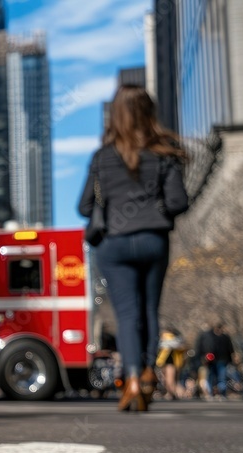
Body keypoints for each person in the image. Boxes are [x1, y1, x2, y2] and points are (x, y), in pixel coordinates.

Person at [78, 85, 189, 412]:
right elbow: (178, 201)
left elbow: (84, 205)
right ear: (148, 112)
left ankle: (132, 381)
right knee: (149, 311)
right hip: (153, 239)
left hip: (114, 243)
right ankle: (147, 372)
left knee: (128, 315)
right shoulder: (164, 150)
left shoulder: (102, 157)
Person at [197, 323, 236, 399]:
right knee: (211, 376)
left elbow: (230, 349)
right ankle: (211, 392)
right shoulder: (209, 337)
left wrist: (231, 359)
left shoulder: (225, 337)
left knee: (222, 377)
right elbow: (203, 348)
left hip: (223, 360)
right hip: (211, 361)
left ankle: (222, 392)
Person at [155, 327, 186, 399]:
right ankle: (171, 393)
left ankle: (175, 393)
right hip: (172, 362)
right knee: (171, 379)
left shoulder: (166, 339)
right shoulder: (177, 340)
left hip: (169, 362)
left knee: (169, 379)